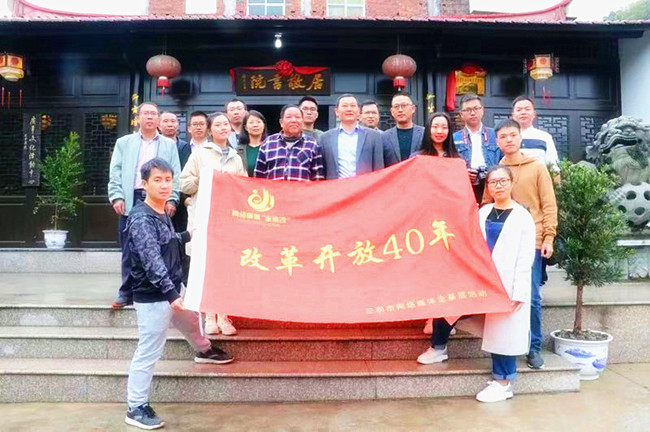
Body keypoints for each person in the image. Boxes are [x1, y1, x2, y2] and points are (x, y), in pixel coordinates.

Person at [125, 158, 233, 430]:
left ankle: (204, 350)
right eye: (157, 180)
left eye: (168, 180)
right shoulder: (141, 218)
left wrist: (187, 235)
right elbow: (151, 260)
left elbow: (165, 241)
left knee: (192, 319)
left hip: (172, 288)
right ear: (144, 184)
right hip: (154, 295)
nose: (164, 185)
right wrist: (172, 295)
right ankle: (136, 407)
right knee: (149, 350)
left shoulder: (160, 211)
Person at [417, 165, 535, 403]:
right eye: (493, 182)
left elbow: (525, 259)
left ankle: (503, 383)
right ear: (487, 187)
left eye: (503, 181)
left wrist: (519, 292)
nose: (498, 186)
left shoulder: (523, 217)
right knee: (447, 306)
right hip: (479, 280)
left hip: (505, 284)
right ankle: (439, 348)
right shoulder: (483, 212)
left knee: (503, 334)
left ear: (512, 183)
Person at [482, 118, 557, 370]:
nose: (509, 140)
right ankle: (505, 346)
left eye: (512, 135)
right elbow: (486, 204)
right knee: (503, 296)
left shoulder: (536, 166)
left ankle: (533, 347)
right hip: (500, 243)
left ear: (520, 137)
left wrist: (549, 236)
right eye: (503, 136)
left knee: (530, 296)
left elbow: (549, 203)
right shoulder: (497, 171)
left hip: (531, 240)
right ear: (497, 141)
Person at [108, 102, 181, 309]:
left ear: (158, 118)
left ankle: (162, 288)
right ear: (138, 117)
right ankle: (126, 292)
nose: (149, 117)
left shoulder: (168, 144)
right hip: (132, 196)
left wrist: (172, 198)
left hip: (159, 197)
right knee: (129, 248)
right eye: (146, 113)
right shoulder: (124, 142)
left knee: (161, 245)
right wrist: (117, 196)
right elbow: (115, 171)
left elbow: (175, 173)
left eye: (153, 114)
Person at [179, 112, 247, 336]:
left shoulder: (236, 157)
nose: (223, 127)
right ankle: (209, 315)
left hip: (229, 220)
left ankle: (224, 316)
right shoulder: (199, 154)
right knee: (207, 267)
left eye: (226, 124)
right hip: (205, 218)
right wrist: (206, 177)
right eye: (218, 124)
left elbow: (244, 187)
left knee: (226, 268)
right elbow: (184, 184)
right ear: (210, 130)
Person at [418, 112, 460, 336]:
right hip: (425, 221)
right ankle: (430, 316)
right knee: (429, 270)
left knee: (448, 270)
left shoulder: (457, 158)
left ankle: (444, 317)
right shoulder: (418, 157)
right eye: (435, 126)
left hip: (450, 223)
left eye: (444, 127)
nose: (440, 131)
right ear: (428, 129)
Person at [319, 94, 385, 179]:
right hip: (335, 185)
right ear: (336, 111)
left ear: (359, 111)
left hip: (365, 185)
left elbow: (379, 169)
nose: (349, 109)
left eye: (353, 106)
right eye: (344, 106)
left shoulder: (374, 136)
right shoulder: (325, 138)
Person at [160, 111, 192, 283]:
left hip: (178, 200)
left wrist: (177, 198)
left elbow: (183, 174)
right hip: (158, 197)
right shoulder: (155, 146)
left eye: (173, 121)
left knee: (179, 239)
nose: (170, 124)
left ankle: (180, 279)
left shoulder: (184, 146)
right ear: (159, 124)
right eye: (166, 121)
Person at [254, 104, 325, 181]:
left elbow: (318, 178)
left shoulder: (312, 144)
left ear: (302, 121)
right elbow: (258, 177)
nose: (293, 120)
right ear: (281, 122)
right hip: (273, 189)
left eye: (297, 117)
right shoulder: (268, 143)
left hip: (302, 189)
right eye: (289, 117)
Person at [452, 94, 502, 202]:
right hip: (465, 186)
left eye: (476, 108)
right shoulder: (454, 138)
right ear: (461, 114)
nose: (472, 113)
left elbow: (504, 161)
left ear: (482, 110)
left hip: (493, 185)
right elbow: (450, 167)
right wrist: (463, 173)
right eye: (468, 110)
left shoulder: (495, 135)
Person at [511, 96, 559, 171]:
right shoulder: (506, 137)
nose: (523, 112)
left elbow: (553, 166)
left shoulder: (544, 137)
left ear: (534, 114)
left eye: (527, 109)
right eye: (519, 110)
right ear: (513, 115)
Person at [382, 93, 424, 166]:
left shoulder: (424, 133)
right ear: (392, 111)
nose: (400, 110)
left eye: (404, 105)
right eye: (396, 106)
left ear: (413, 109)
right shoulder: (384, 137)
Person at [238, 110, 268, 176]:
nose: (255, 125)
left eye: (258, 122)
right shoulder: (238, 151)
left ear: (264, 125)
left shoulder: (270, 148)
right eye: (251, 122)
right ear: (245, 127)